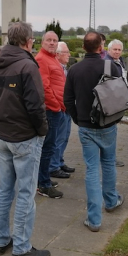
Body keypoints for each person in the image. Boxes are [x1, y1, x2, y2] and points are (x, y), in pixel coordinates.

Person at [0, 21, 50, 256]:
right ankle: (21, 247)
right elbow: (35, 106)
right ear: (28, 41)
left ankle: (1, 239)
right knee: (24, 192)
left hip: (3, 136)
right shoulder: (26, 66)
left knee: (4, 190)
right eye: (33, 40)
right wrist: (42, 130)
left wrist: (1, 121)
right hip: (23, 137)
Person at [64, 31, 125, 233]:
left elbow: (67, 100)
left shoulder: (74, 70)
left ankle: (94, 219)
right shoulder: (112, 67)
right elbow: (120, 96)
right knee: (108, 163)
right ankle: (111, 201)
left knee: (91, 170)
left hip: (86, 127)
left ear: (83, 47)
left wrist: (77, 118)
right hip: (108, 125)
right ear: (101, 48)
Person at [35, 31, 66, 197]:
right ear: (42, 42)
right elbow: (44, 88)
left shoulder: (52, 58)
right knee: (47, 148)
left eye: (55, 40)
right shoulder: (41, 59)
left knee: (49, 147)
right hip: (50, 110)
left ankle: (43, 178)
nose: (52, 43)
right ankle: (43, 184)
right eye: (49, 40)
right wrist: (56, 106)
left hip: (57, 109)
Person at [49, 41, 75, 176]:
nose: (69, 55)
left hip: (67, 107)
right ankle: (53, 167)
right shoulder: (55, 68)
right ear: (58, 54)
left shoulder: (64, 68)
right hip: (59, 107)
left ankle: (59, 161)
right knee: (58, 138)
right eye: (66, 52)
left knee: (64, 137)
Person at [106, 39, 128, 167]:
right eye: (114, 49)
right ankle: (110, 159)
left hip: (119, 101)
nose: (117, 52)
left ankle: (111, 157)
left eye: (119, 50)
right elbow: (107, 84)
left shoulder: (120, 61)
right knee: (110, 132)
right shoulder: (108, 63)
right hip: (112, 103)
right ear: (109, 50)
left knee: (113, 131)